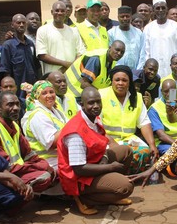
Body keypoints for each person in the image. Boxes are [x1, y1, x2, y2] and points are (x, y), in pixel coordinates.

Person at [57, 87, 134, 215]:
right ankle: (84, 199)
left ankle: (109, 191)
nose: (96, 106)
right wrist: (110, 167)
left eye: (98, 102)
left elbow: (101, 143)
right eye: (91, 103)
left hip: (94, 162)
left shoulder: (93, 118)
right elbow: (79, 169)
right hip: (79, 178)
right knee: (126, 187)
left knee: (126, 151)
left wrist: (104, 159)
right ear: (82, 105)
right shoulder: (76, 132)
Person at [0, 92, 55, 193]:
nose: (16, 108)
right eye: (10, 105)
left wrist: (44, 164)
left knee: (54, 173)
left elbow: (28, 154)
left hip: (19, 170)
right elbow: (5, 167)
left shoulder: (14, 125)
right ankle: (21, 194)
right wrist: (41, 166)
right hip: (5, 175)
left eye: (17, 104)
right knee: (45, 177)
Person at [99, 65, 159, 174]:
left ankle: (129, 176)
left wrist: (152, 144)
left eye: (124, 80)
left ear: (129, 82)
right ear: (111, 81)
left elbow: (144, 123)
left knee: (144, 151)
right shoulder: (101, 95)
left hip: (129, 140)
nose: (120, 83)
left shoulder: (137, 97)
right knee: (107, 155)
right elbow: (96, 126)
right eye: (117, 80)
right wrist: (113, 143)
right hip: (106, 140)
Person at [21, 81, 68, 176]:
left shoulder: (56, 111)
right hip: (48, 163)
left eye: (51, 92)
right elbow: (50, 142)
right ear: (37, 96)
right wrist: (72, 126)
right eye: (44, 93)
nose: (49, 95)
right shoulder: (38, 115)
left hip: (62, 158)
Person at [139, 0, 177, 78]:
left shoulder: (176, 27)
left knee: (172, 90)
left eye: (163, 8)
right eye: (158, 8)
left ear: (167, 9)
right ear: (153, 10)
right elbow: (146, 52)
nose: (160, 10)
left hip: (172, 70)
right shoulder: (148, 28)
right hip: (153, 72)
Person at [36, 1, 85, 74]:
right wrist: (64, 64)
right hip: (52, 76)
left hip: (72, 74)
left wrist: (70, 67)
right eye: (57, 10)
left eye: (62, 11)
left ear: (66, 13)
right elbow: (42, 55)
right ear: (52, 12)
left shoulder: (74, 31)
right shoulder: (43, 30)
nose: (59, 13)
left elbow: (81, 53)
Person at [0, 14, 40, 98]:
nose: (21, 25)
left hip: (32, 89)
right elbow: (6, 70)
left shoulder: (30, 44)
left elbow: (36, 66)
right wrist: (10, 89)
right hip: (18, 91)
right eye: (18, 23)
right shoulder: (8, 45)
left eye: (23, 23)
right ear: (12, 25)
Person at [148, 79, 177, 156]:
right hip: (165, 143)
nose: (169, 94)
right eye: (166, 91)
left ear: (176, 90)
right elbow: (161, 136)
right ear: (161, 91)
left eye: (172, 91)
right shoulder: (154, 109)